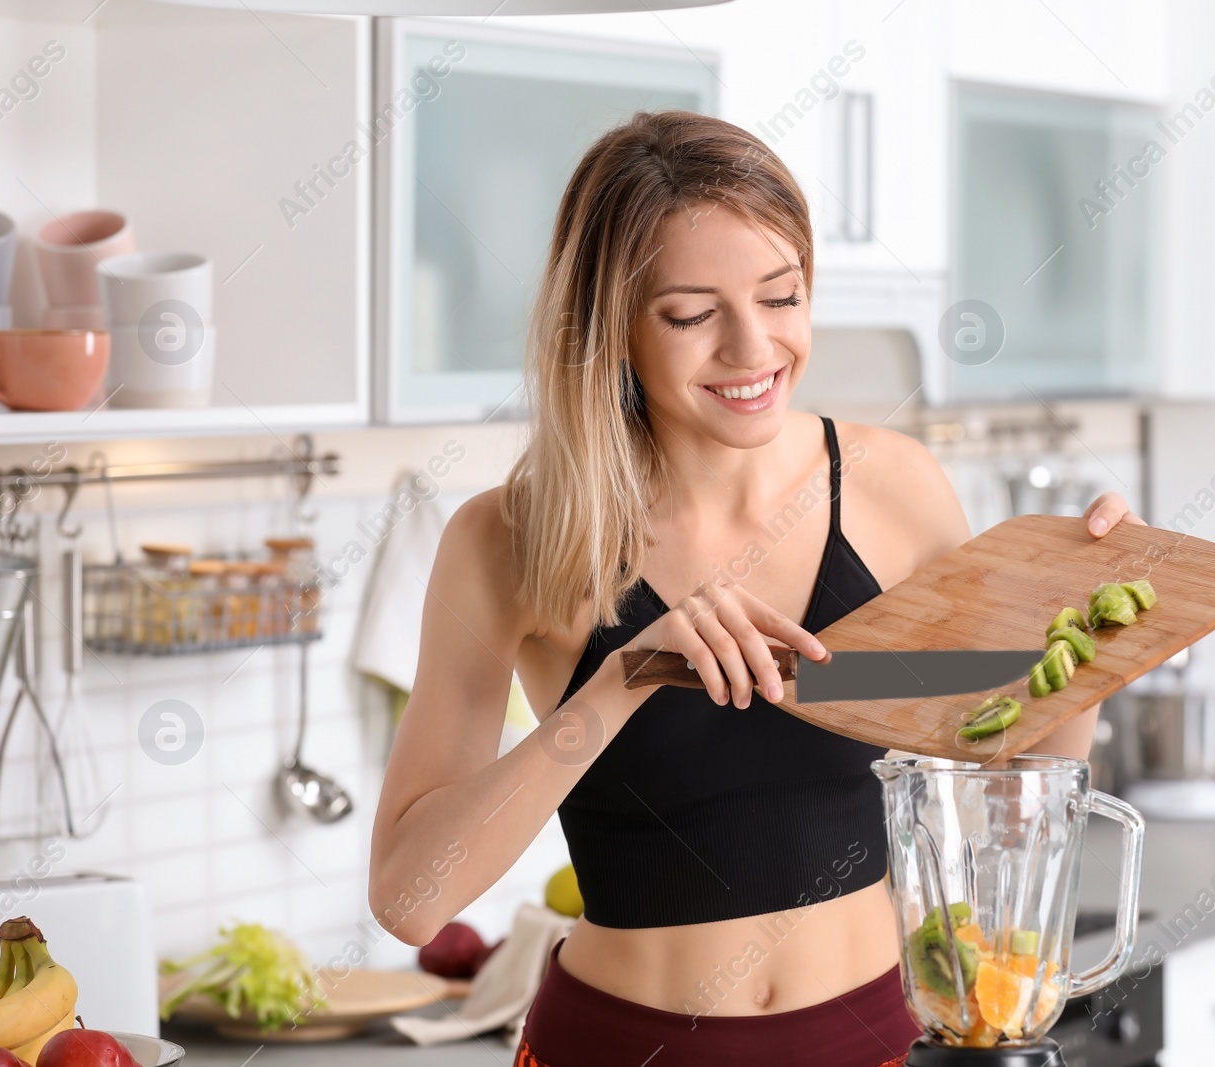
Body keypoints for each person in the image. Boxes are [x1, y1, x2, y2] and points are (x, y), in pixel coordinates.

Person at [368, 110, 1143, 1067]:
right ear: (609, 327)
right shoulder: (512, 539)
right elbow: (410, 899)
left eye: (781, 297)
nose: (753, 349)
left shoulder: (894, 485)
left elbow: (1003, 792)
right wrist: (621, 685)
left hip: (879, 1042)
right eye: (693, 315)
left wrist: (1094, 641)